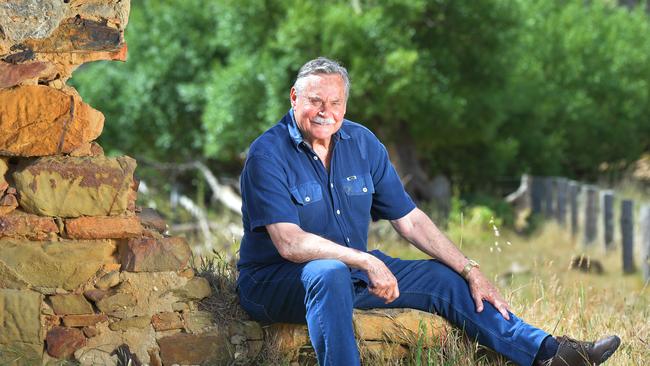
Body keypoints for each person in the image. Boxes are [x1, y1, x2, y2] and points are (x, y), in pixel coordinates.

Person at [236, 57, 620, 366]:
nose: (326, 112)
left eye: (335, 103)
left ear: (345, 104)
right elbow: (289, 243)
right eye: (315, 101)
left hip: (350, 273)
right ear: (293, 98)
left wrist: (469, 268)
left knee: (445, 277)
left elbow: (410, 219)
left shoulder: (361, 142)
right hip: (276, 282)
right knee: (330, 272)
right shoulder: (267, 154)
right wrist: (366, 262)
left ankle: (550, 354)